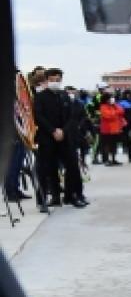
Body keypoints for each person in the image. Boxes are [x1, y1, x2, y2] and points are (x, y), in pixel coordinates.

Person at [33, 68, 88, 208]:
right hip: (47, 137)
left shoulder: (65, 96)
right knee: (48, 168)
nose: (55, 83)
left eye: (57, 80)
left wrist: (63, 131)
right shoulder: (40, 97)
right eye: (52, 80)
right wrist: (52, 130)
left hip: (65, 137)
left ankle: (73, 195)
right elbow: (38, 116)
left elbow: (72, 116)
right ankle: (52, 197)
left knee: (72, 166)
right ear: (46, 80)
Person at [97, 90, 125, 166]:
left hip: (115, 129)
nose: (112, 100)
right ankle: (106, 160)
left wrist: (115, 106)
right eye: (110, 98)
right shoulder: (103, 107)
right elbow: (108, 116)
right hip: (107, 129)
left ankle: (113, 159)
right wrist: (116, 113)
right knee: (106, 145)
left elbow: (122, 111)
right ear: (106, 99)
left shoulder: (114, 105)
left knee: (114, 145)